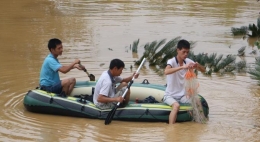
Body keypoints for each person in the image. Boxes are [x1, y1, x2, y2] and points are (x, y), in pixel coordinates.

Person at [163, 39, 206, 124]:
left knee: (197, 101)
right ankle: (171, 128)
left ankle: (201, 123)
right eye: (183, 52)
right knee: (176, 106)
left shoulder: (188, 61)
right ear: (178, 50)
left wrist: (198, 66)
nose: (186, 54)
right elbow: (166, 71)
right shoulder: (171, 61)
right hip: (170, 95)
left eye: (187, 52)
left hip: (183, 96)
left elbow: (203, 70)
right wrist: (182, 67)